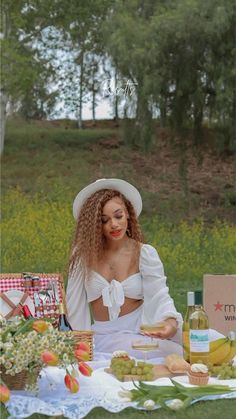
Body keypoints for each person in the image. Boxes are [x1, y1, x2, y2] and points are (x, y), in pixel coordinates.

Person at [66, 178, 184, 358]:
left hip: (143, 328)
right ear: (95, 226)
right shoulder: (83, 256)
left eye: (118, 216)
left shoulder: (145, 253)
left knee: (207, 339)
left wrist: (169, 322)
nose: (114, 224)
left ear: (128, 214)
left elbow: (160, 295)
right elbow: (74, 305)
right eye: (104, 221)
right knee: (167, 352)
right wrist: (76, 343)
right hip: (105, 336)